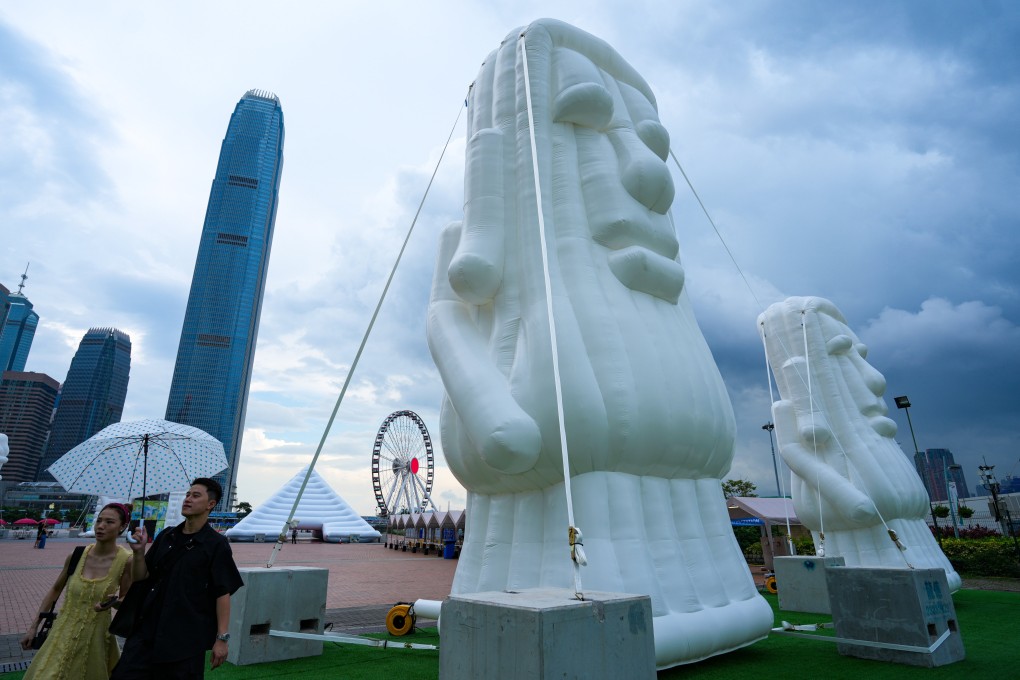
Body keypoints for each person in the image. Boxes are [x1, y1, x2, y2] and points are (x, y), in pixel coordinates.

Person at [426, 19, 773, 667]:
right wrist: (489, 404)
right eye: (586, 124)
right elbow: (450, 312)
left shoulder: (652, 295)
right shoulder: (486, 253)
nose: (652, 179)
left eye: (654, 146)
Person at [759, 296, 962, 590]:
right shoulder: (801, 418)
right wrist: (843, 494)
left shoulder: (872, 437)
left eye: (860, 357)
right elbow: (794, 451)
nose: (876, 379)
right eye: (842, 355)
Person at [111, 478, 243, 679]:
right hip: (146, 631)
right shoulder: (167, 536)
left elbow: (222, 592)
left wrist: (222, 639)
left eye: (195, 496)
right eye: (188, 494)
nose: (188, 499)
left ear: (210, 504)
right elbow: (141, 576)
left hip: (185, 639)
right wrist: (138, 552)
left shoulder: (216, 544)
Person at [20, 503, 133, 679]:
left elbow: (126, 600)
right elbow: (55, 589)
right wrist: (34, 626)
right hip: (61, 632)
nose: (100, 526)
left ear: (123, 526)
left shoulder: (126, 560)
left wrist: (114, 602)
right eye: (99, 521)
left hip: (96, 639)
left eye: (109, 522)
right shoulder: (77, 555)